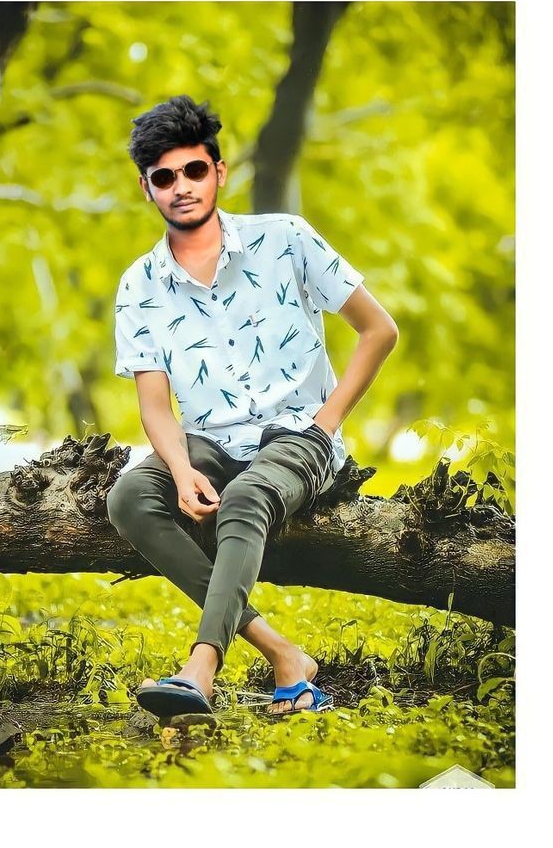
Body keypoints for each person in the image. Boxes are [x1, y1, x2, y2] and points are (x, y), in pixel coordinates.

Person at [106, 95, 398, 716]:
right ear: (146, 188)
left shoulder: (285, 239)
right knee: (128, 496)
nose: (180, 187)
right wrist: (181, 470)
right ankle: (282, 652)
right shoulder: (139, 285)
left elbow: (379, 331)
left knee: (245, 497)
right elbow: (155, 406)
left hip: (299, 433)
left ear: (219, 171)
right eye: (164, 177)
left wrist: (327, 422)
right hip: (210, 440)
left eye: (193, 170)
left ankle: (201, 667)